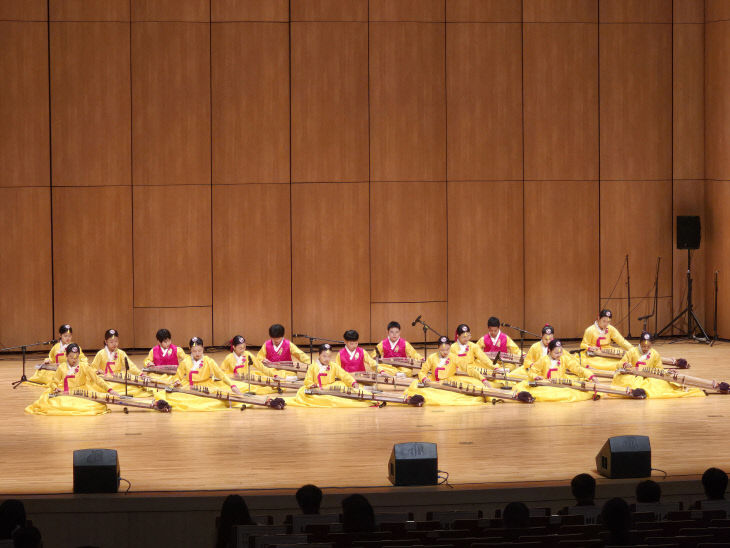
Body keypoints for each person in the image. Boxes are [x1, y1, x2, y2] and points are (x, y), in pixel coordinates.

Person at [25, 344, 119, 415]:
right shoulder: (62, 367)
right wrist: (55, 388)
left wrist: (110, 390)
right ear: (66, 356)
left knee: (90, 405)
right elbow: (54, 382)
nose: (74, 360)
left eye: (76, 357)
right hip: (66, 391)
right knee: (54, 404)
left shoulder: (84, 366)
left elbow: (97, 379)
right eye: (71, 357)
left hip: (82, 390)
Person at [610, 332, 705, 399]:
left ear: (651, 345)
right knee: (626, 381)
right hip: (633, 376)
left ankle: (642, 392)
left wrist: (668, 372)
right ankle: (637, 392)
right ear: (639, 343)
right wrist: (625, 364)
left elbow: (659, 370)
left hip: (648, 377)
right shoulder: (632, 351)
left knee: (660, 384)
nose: (645, 348)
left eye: (648, 347)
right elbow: (619, 364)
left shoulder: (655, 354)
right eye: (643, 346)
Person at [158, 337, 243, 411]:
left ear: (203, 348)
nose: (197, 353)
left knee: (213, 401)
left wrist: (232, 385)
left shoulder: (209, 361)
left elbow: (221, 375)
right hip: (188, 386)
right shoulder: (185, 362)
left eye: (200, 350)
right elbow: (178, 376)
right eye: (194, 351)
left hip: (206, 386)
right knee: (176, 398)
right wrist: (177, 381)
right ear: (190, 349)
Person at [405, 336, 490, 406]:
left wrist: (483, 379)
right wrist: (424, 379)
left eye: (447, 349)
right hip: (434, 382)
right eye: (442, 350)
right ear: (438, 348)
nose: (445, 352)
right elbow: (422, 372)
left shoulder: (454, 357)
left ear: (450, 347)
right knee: (419, 389)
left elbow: (469, 369)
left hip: (449, 383)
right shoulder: (432, 357)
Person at [289, 344, 376, 408]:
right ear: (319, 355)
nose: (327, 359)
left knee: (349, 387)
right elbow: (307, 380)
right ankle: (367, 402)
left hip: (332, 386)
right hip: (318, 388)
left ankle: (372, 398)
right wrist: (312, 385)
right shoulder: (313, 366)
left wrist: (353, 382)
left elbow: (344, 374)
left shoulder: (333, 365)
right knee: (331, 400)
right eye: (324, 356)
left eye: (329, 356)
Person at [510, 340, 594, 402]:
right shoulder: (543, 360)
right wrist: (536, 376)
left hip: (561, 383)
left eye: (561, 352)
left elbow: (577, 368)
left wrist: (590, 375)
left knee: (569, 394)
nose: (559, 355)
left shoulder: (564, 358)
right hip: (546, 384)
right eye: (556, 353)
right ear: (549, 351)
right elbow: (532, 371)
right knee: (545, 394)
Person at [220, 335, 293, 395]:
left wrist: (274, 375)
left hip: (247, 378)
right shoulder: (229, 358)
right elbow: (220, 372)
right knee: (244, 388)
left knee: (268, 380)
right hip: (235, 381)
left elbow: (260, 367)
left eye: (244, 347)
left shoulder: (247, 354)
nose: (243, 350)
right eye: (240, 348)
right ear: (234, 347)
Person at [89, 329, 150, 398]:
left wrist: (140, 374)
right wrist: (97, 371)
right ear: (106, 342)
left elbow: (130, 365)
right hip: (105, 378)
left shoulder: (121, 353)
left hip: (118, 376)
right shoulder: (100, 353)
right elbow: (92, 367)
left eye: (116, 341)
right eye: (111, 342)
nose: (114, 344)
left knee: (132, 386)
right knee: (99, 387)